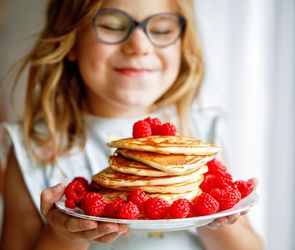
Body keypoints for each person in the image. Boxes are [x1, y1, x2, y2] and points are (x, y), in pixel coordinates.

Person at [0, 0, 264, 249]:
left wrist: (212, 212)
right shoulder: (32, 151)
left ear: (183, 45)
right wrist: (64, 236)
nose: (139, 45)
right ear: (70, 39)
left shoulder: (200, 139)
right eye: (112, 26)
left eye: (161, 30)